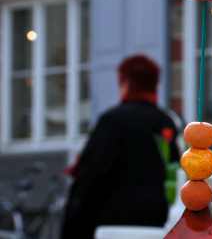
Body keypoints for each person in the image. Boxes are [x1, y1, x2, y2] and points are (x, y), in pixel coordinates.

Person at [62, 55, 180, 238]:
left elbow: (90, 180)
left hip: (113, 226)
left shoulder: (112, 122)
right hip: (157, 224)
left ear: (124, 82)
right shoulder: (166, 123)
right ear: (155, 84)